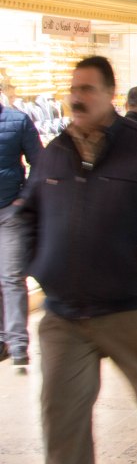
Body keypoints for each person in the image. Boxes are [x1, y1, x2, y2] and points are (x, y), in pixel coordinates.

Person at [18, 56, 137, 464]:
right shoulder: (55, 152)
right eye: (74, 89)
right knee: (60, 414)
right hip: (65, 313)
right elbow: (29, 215)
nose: (77, 98)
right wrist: (38, 265)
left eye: (87, 89)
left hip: (130, 306)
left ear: (110, 95)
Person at [0, 89, 41, 369]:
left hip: (10, 212)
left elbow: (40, 163)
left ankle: (17, 344)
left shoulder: (18, 120)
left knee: (11, 277)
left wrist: (24, 198)